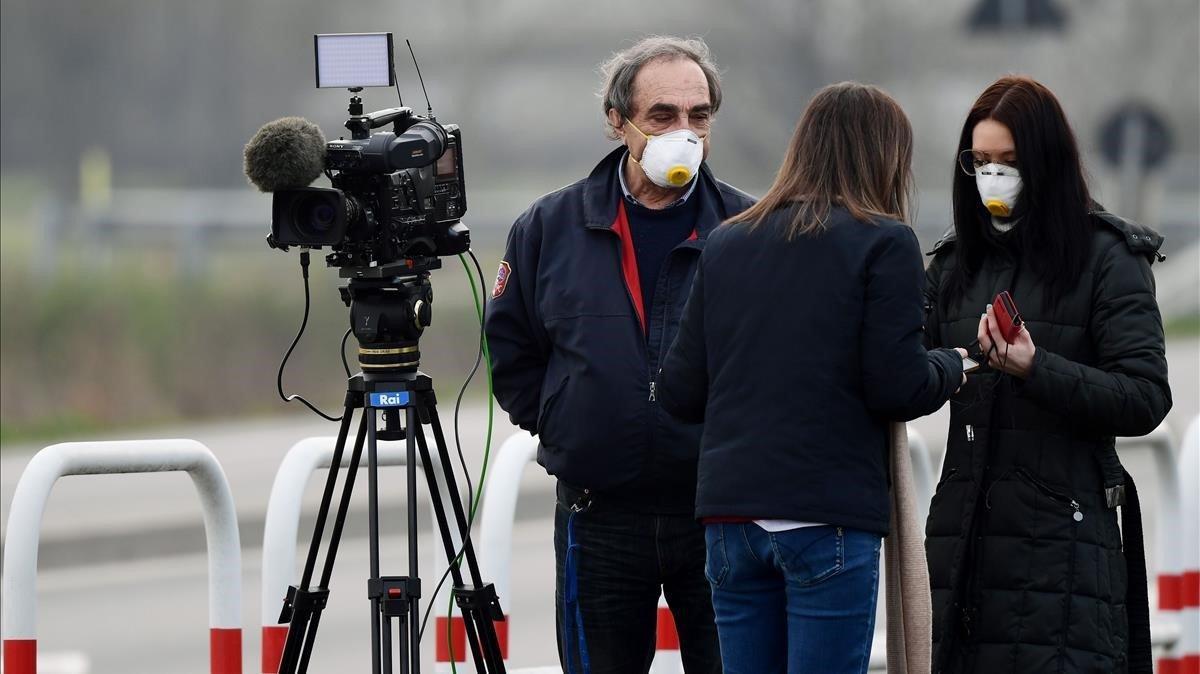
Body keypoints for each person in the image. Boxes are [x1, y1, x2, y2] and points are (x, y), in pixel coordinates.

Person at [658, 82, 967, 674]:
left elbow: (679, 392)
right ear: (885, 156)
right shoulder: (886, 241)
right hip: (827, 515)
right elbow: (897, 386)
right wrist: (954, 364)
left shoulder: (727, 241)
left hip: (732, 517)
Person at [484, 35, 754, 673]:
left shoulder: (749, 229)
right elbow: (511, 350)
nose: (683, 132)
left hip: (717, 516)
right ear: (617, 121)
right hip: (598, 514)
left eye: (699, 116)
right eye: (663, 116)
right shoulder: (549, 228)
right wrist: (568, 421)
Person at [922, 75, 1172, 674]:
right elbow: (905, 372)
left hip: (1064, 544)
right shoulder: (956, 264)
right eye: (980, 161)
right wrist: (948, 366)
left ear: (1045, 162)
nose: (993, 176)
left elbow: (1145, 395)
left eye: (1008, 161)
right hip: (963, 544)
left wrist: (1038, 368)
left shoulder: (1107, 256)